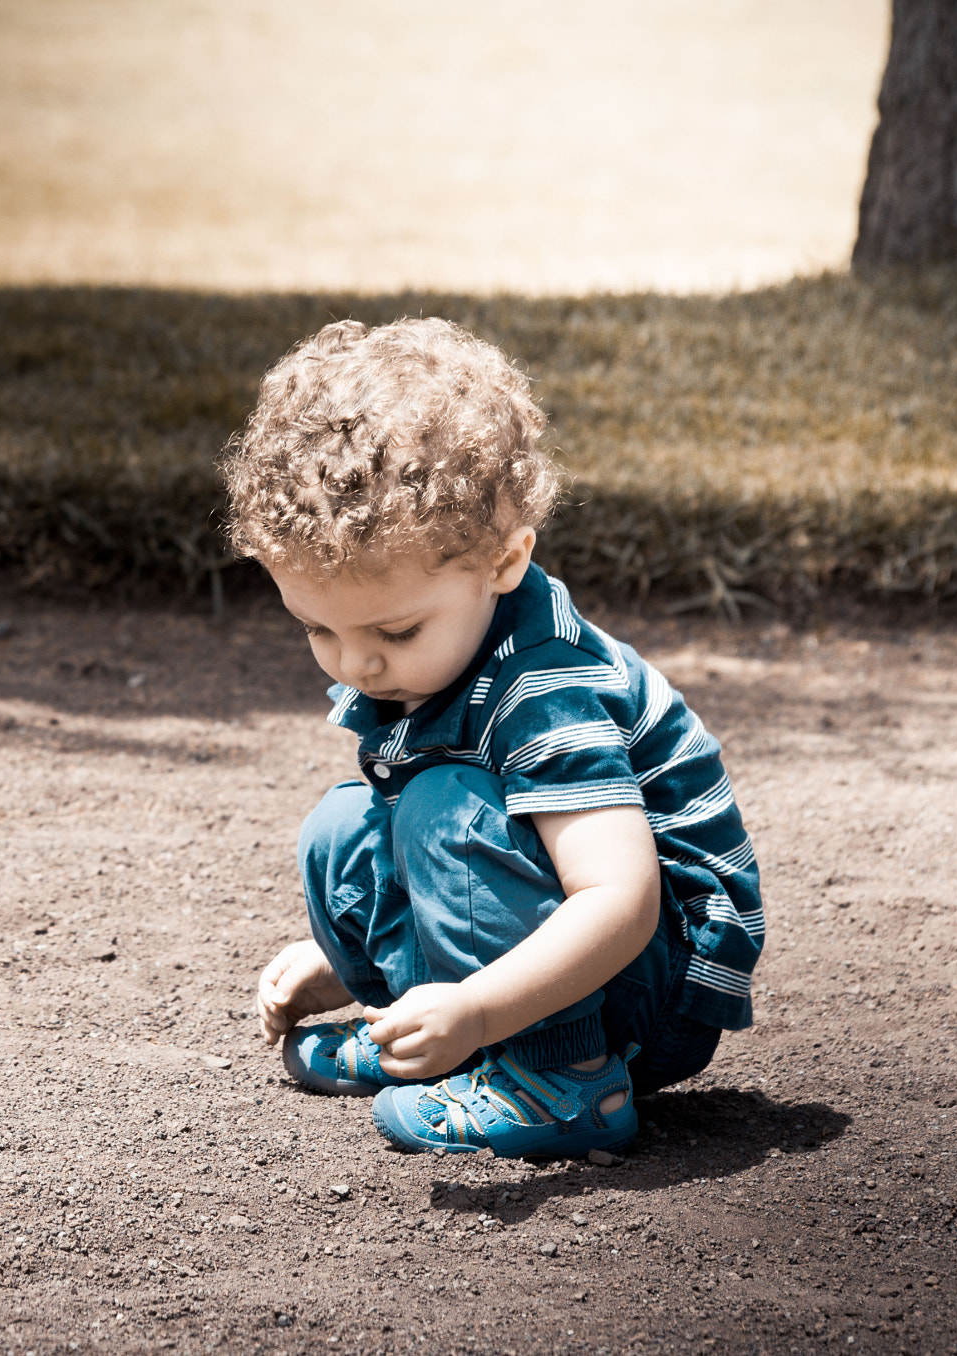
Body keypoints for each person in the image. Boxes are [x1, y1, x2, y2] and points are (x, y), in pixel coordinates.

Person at [221, 318, 761, 1158]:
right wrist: (345, 959)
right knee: (344, 825)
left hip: (653, 983)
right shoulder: (445, 651)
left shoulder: (544, 688)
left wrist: (477, 1010)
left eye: (395, 632)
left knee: (446, 806)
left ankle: (563, 1078)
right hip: (578, 957)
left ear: (506, 561)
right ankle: (417, 1028)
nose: (358, 663)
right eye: (318, 630)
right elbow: (427, 855)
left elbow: (620, 901)